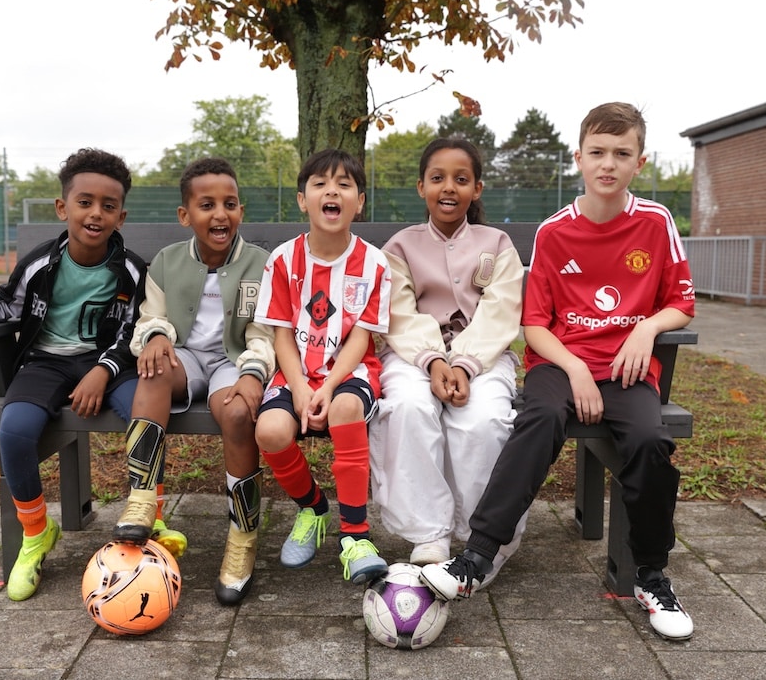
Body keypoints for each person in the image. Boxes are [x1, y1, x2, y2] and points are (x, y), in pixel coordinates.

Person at [420, 102, 697, 642]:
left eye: (622, 154)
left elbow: (682, 302)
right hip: (561, 363)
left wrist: (646, 328)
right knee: (539, 418)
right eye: (598, 152)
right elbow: (535, 325)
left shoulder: (656, 221)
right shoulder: (553, 231)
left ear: (639, 162)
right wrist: (574, 368)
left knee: (649, 442)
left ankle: (651, 576)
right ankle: (475, 558)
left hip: (626, 370)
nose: (608, 164)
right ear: (579, 158)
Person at [0, 148, 146, 601]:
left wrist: (102, 371)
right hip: (45, 362)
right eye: (85, 202)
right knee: (15, 430)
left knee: (145, 412)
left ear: (120, 216)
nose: (95, 213)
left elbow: (133, 330)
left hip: (107, 364)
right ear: (63, 207)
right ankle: (36, 532)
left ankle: (147, 514)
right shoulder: (41, 263)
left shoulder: (132, 270)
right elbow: (9, 305)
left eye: (108, 206)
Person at [112, 157, 274, 606]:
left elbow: (264, 332)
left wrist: (253, 373)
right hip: (184, 357)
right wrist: (156, 337)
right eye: (207, 205)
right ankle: (142, 498)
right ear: (186, 215)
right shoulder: (167, 262)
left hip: (233, 360)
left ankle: (242, 538)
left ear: (240, 210)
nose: (220, 214)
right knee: (153, 368)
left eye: (230, 204)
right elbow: (151, 316)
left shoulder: (261, 264)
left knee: (238, 412)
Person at [368, 138, 526, 577]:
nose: (449, 188)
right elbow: (399, 312)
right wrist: (435, 361)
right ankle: (428, 533)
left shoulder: (497, 244)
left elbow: (500, 311)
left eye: (461, 179)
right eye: (437, 178)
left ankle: (485, 538)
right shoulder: (401, 247)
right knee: (407, 406)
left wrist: (464, 364)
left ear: (477, 189)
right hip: (414, 356)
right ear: (421, 186)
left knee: (484, 421)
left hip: (484, 358)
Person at [254, 148, 392, 584]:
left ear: (359, 202)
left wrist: (329, 386)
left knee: (345, 409)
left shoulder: (374, 262)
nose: (332, 191)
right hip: (295, 372)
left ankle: (355, 537)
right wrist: (298, 387)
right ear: (302, 200)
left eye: (344, 185)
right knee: (270, 431)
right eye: (320, 184)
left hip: (349, 373)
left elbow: (361, 337)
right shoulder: (282, 259)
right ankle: (313, 508)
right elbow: (281, 334)